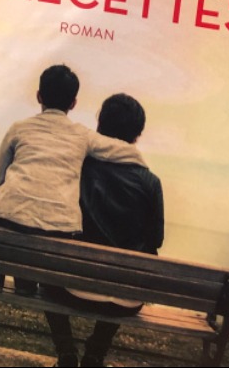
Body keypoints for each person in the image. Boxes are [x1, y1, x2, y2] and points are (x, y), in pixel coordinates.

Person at [0, 65, 146, 311]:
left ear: (39, 96)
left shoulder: (19, 128)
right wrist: (140, 161)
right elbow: (117, 150)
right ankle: (26, 282)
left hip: (10, 220)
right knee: (35, 221)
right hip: (59, 230)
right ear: (73, 103)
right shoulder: (82, 136)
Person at [43, 92, 164, 368]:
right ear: (137, 135)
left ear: (99, 125)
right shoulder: (151, 183)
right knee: (128, 272)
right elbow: (156, 239)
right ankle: (95, 355)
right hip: (125, 301)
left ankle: (66, 353)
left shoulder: (80, 168)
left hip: (72, 290)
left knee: (46, 272)